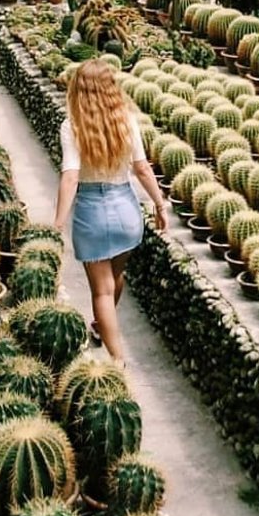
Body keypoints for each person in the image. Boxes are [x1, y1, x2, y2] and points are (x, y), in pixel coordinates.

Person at [53, 59, 167, 365]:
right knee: (116, 276)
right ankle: (103, 327)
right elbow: (142, 168)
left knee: (101, 290)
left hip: (92, 214)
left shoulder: (72, 126)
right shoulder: (126, 120)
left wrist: (58, 224)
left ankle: (117, 358)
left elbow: (70, 176)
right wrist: (159, 203)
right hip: (126, 212)